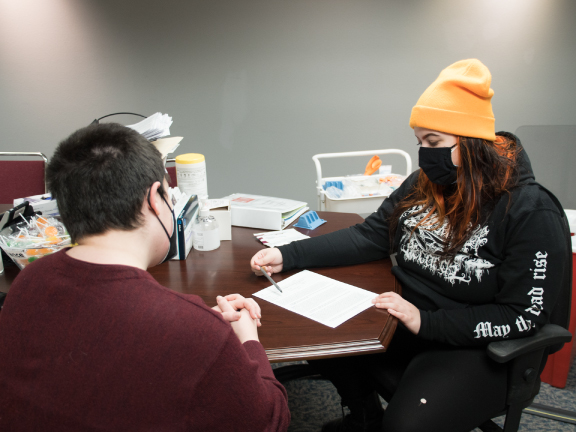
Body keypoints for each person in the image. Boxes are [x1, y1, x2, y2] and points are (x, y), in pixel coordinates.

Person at [250, 59, 571, 432]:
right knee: (319, 333)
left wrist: (427, 322)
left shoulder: (530, 210)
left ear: (469, 141)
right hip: (407, 317)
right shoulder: (423, 184)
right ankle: (366, 414)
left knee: (406, 426)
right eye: (420, 142)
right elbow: (370, 235)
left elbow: (523, 315)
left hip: (475, 346)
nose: (424, 154)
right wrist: (288, 255)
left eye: (433, 142)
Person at [0, 123, 290, 431]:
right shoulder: (196, 331)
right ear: (155, 198)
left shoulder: (29, 280)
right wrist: (246, 339)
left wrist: (196, 325)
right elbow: (268, 421)